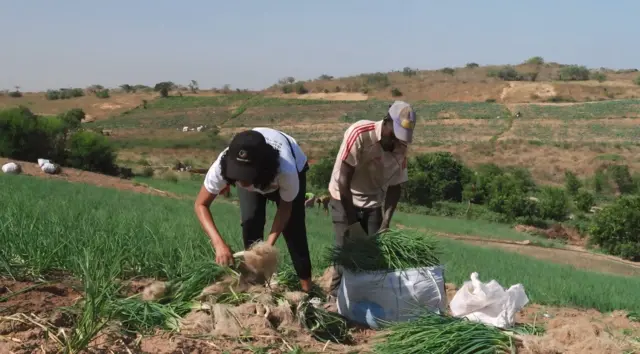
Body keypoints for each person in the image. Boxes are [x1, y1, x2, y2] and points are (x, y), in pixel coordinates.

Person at [194, 128, 313, 292]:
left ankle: (308, 289)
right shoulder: (223, 165)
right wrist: (219, 244)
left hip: (283, 171)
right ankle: (254, 286)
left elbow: (286, 208)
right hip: (257, 172)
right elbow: (201, 205)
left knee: (294, 229)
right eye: (238, 174)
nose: (242, 182)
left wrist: (267, 247)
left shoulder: (286, 170)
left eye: (246, 175)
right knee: (250, 221)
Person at [327, 100, 417, 297]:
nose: (395, 142)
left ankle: (364, 294)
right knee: (346, 250)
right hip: (343, 197)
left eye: (400, 138)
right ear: (386, 123)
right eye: (393, 135)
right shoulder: (359, 132)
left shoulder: (400, 147)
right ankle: (335, 296)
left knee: (373, 253)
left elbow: (395, 187)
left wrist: (386, 222)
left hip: (373, 200)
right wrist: (352, 223)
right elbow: (343, 180)